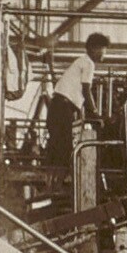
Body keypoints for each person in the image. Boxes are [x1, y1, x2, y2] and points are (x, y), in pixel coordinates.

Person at [46, 32, 107, 172]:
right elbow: (86, 90)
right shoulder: (88, 63)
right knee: (64, 149)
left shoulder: (81, 61)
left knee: (59, 147)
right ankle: (60, 180)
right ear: (94, 48)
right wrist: (96, 114)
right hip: (62, 108)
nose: (104, 53)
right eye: (103, 49)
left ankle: (55, 179)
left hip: (58, 107)